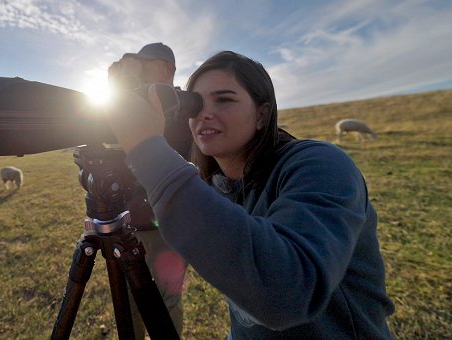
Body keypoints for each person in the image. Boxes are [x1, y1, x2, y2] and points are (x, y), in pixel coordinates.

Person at [105, 50, 395, 339]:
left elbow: (286, 294)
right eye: (195, 105)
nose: (205, 113)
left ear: (262, 113)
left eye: (225, 99)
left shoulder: (322, 165)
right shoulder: (218, 184)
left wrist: (148, 151)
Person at [107, 43, 190, 338]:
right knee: (129, 301)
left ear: (167, 68)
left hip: (168, 226)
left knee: (167, 301)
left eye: (145, 64)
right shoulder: (134, 104)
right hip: (128, 225)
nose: (139, 71)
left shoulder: (183, 105)